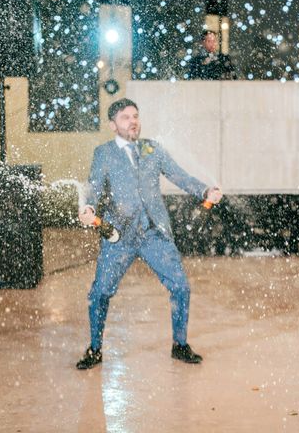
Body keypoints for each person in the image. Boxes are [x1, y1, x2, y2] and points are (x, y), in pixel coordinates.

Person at [76, 98, 223, 369]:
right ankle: (95, 349)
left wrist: (205, 191)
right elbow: (94, 188)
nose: (133, 121)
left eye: (135, 116)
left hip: (154, 233)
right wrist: (88, 207)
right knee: (99, 293)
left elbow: (180, 176)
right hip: (118, 235)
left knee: (181, 287)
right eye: (125, 117)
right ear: (113, 125)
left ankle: (180, 345)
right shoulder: (104, 153)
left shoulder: (152, 149)